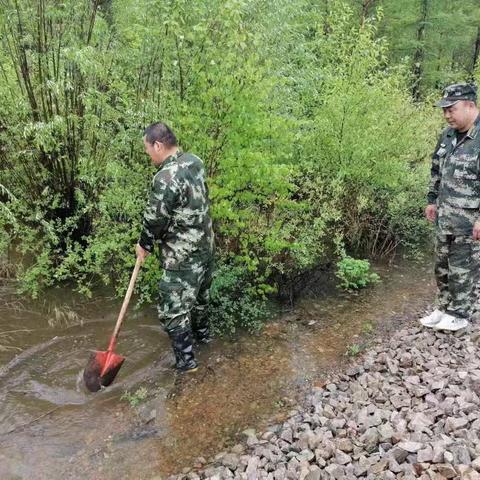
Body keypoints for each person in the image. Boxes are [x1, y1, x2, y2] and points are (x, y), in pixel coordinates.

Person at [136, 122, 215, 372]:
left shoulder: (165, 178)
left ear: (158, 145)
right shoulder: (196, 161)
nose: (148, 154)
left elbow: (155, 219)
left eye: (148, 148)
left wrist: (144, 245)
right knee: (201, 299)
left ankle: (187, 364)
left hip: (183, 257)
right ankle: (205, 340)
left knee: (172, 311)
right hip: (206, 247)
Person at [421, 83, 480, 331]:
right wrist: (432, 200)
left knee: (463, 266)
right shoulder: (447, 135)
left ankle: (460, 313)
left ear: (469, 105)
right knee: (442, 264)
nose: (447, 115)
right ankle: (444, 306)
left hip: (470, 220)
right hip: (445, 215)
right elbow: (436, 169)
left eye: (451, 109)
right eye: (444, 110)